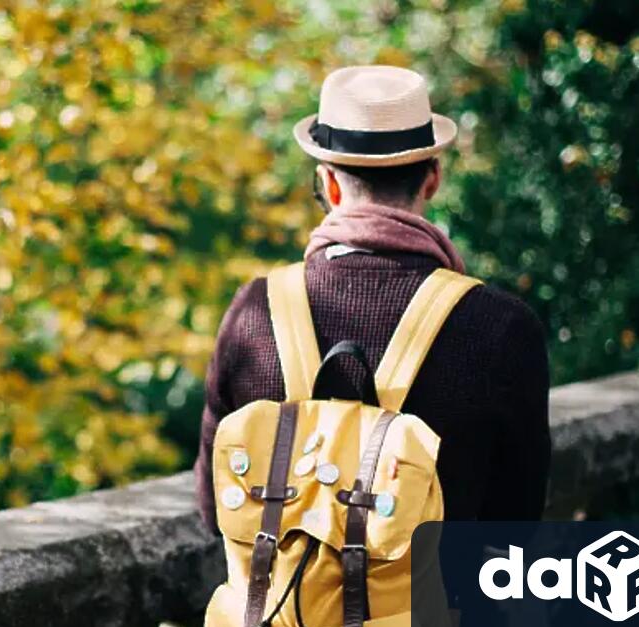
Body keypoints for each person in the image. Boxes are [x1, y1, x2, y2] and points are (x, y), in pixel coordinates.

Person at [194, 65, 551, 539]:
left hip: (280, 613)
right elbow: (517, 520)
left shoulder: (256, 312)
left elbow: (213, 508)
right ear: (432, 179)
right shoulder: (502, 327)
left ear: (329, 184)